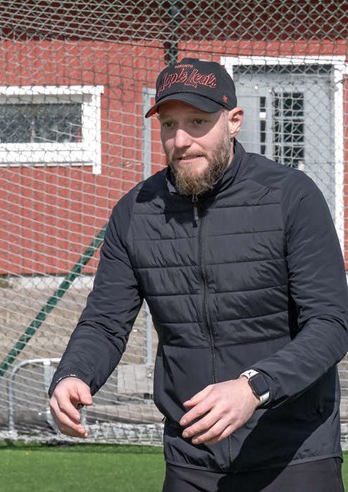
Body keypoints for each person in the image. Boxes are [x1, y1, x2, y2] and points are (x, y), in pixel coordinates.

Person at [48, 58, 348, 491]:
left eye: (198, 122)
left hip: (294, 453)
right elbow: (105, 321)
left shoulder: (290, 197)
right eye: (169, 125)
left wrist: (253, 388)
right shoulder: (135, 212)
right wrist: (74, 373)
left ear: (234, 121)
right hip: (192, 458)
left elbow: (331, 324)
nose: (181, 141)